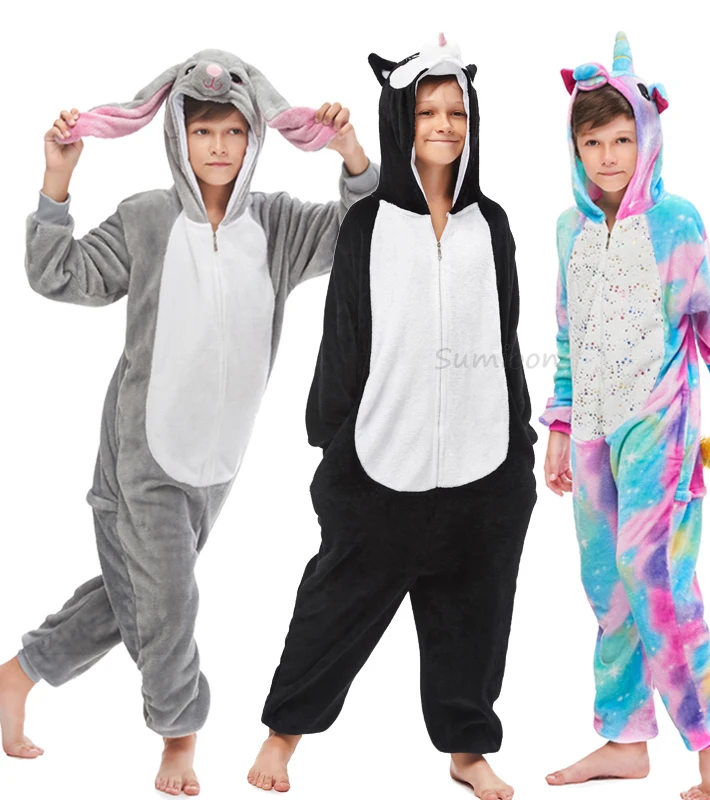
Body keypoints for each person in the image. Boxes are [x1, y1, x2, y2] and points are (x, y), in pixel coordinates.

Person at [0, 47, 379, 796]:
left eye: (233, 131)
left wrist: (351, 154)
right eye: (202, 130)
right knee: (169, 602)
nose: (218, 147)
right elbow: (58, 274)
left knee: (136, 595)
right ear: (177, 133)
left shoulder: (276, 224)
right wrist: (56, 183)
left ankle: (16, 676)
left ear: (254, 138)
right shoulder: (146, 218)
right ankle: (179, 734)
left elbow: (362, 235)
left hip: (218, 463)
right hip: (140, 455)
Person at [246, 34, 537, 800]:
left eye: (457, 113)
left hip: (485, 465)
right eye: (428, 111)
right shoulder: (370, 225)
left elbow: (505, 336)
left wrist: (521, 442)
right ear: (401, 118)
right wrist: (332, 445)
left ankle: (468, 750)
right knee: (334, 607)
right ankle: (284, 733)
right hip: (380, 464)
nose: (444, 125)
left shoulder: (492, 225)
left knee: (475, 621)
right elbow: (343, 337)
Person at [539, 32, 710, 800]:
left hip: (659, 432)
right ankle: (624, 737)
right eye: (593, 143)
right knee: (605, 583)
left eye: (622, 139)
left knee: (654, 575)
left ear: (647, 140)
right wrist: (560, 428)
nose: (608, 157)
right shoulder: (570, 230)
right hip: (594, 433)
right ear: (575, 149)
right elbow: (567, 338)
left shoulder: (677, 224)